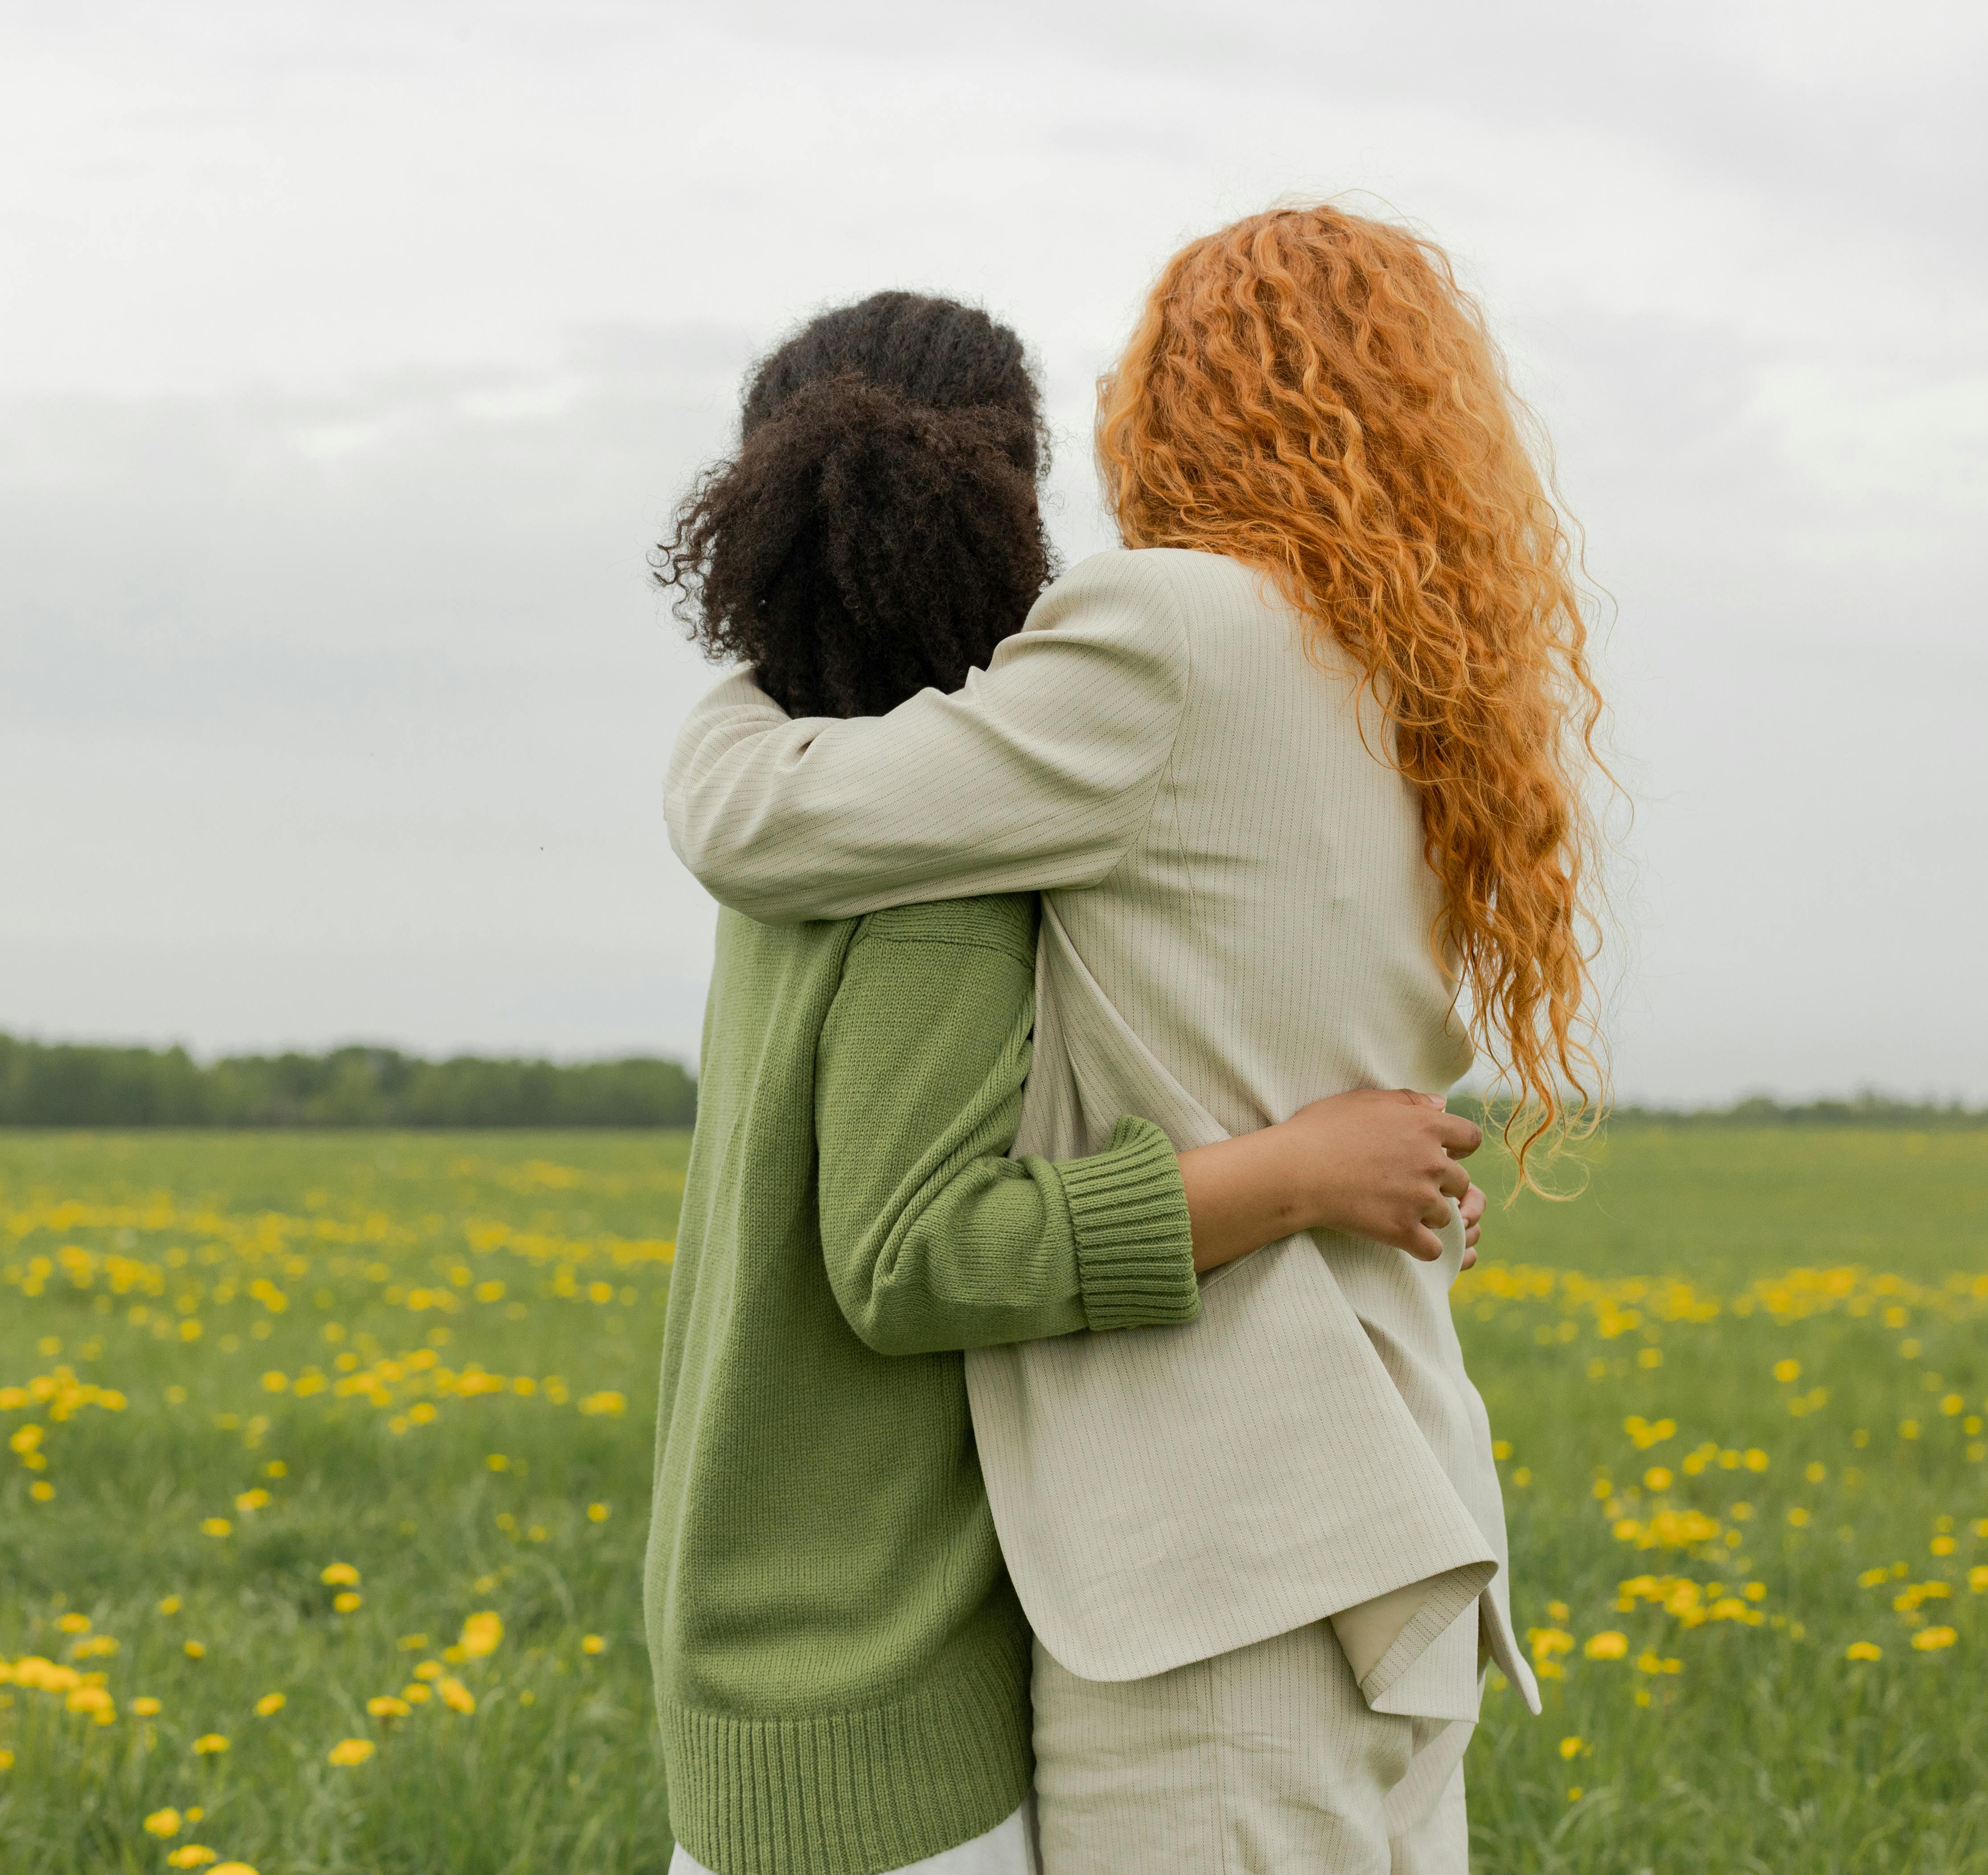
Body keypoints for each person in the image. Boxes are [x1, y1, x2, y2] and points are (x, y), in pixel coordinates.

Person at [662, 213, 1605, 1871]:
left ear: (1173, 404)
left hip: (1207, 1537)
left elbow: (776, 820)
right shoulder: (1413, 685)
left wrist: (753, 677)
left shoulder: (1173, 631)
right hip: (1389, 1494)